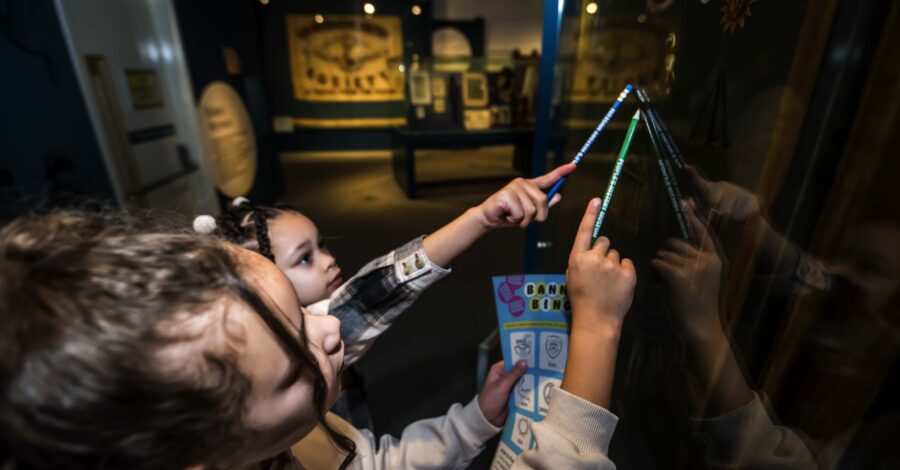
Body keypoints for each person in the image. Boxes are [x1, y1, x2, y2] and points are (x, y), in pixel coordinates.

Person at [0, 198, 637, 469]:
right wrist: (599, 328)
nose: (332, 326)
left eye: (304, 312)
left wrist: (472, 422)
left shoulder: (282, 439)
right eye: (290, 362)